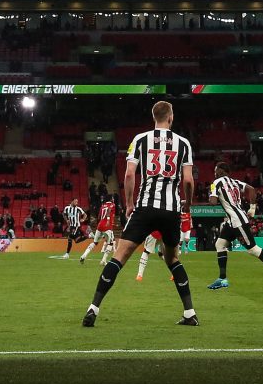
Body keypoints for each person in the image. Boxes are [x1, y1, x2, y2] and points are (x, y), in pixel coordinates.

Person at [82, 99, 197, 328]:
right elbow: (188, 180)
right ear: (171, 117)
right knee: (172, 259)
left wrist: (129, 203)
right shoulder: (184, 143)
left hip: (145, 207)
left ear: (154, 117)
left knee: (120, 256)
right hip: (171, 209)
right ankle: (189, 313)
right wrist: (187, 205)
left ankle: (93, 309)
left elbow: (128, 175)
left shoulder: (140, 139)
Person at [205, 173, 263, 291]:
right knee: (220, 244)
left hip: (237, 221)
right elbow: (252, 189)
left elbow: (213, 202)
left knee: (253, 249)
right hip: (232, 221)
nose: (214, 173)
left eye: (215, 170)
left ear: (219, 171)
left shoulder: (217, 183)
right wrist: (252, 208)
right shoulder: (234, 182)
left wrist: (212, 191)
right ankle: (222, 278)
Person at [134, 209, 194, 281]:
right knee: (163, 254)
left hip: (154, 233)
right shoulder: (168, 208)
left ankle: (139, 275)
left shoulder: (153, 206)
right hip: (164, 232)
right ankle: (175, 273)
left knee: (146, 252)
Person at [79, 197, 116, 264]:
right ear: (110, 199)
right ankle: (103, 260)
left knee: (95, 242)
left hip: (100, 225)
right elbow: (109, 210)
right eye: (112, 198)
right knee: (110, 243)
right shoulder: (112, 204)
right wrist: (108, 220)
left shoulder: (102, 206)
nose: (113, 199)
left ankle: (83, 256)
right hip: (107, 226)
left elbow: (98, 216)